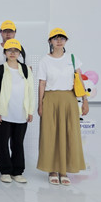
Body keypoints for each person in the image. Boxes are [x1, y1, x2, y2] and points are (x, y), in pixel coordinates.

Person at [37, 28, 89, 186]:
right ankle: (52, 170)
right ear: (50, 41)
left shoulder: (72, 58)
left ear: (66, 41)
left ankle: (64, 170)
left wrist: (85, 100)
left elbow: (79, 80)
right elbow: (42, 83)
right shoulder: (44, 61)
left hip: (69, 99)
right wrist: (40, 104)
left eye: (62, 38)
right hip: (51, 99)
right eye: (55, 38)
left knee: (69, 134)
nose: (59, 41)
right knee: (50, 134)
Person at [0, 39, 35, 184]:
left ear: (19, 53)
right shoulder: (0, 69)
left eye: (15, 50)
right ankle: (5, 171)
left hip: (21, 112)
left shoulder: (26, 69)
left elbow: (31, 91)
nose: (12, 53)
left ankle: (17, 171)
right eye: (9, 50)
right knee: (3, 143)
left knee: (18, 143)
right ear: (5, 52)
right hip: (5, 112)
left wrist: (30, 110)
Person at [0, 20, 27, 164]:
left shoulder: (21, 50)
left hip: (16, 94)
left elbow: (26, 72)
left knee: (15, 123)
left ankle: (13, 154)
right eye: (5, 31)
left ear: (15, 33)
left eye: (11, 31)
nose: (8, 34)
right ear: (0, 33)